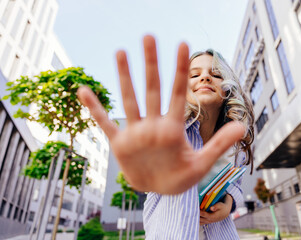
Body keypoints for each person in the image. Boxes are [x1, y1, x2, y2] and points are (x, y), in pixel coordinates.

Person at [77, 35, 254, 239]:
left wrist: (229, 204)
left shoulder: (234, 144)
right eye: (194, 75)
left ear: (228, 88)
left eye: (215, 74)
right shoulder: (170, 133)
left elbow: (236, 185)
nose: (205, 78)